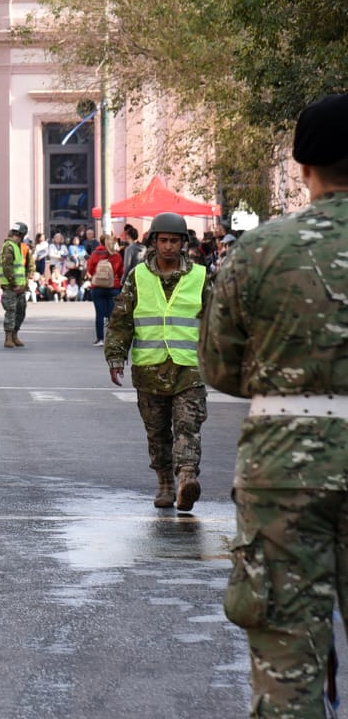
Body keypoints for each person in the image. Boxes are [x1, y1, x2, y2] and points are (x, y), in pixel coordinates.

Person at [200, 94, 348, 716]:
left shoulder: (259, 250)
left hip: (286, 468)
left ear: (303, 168)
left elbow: (221, 366)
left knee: (287, 668)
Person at [104, 210, 211, 512]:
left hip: (189, 368)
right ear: (153, 242)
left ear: (183, 243)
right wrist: (115, 356)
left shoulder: (200, 276)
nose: (168, 247)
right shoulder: (138, 276)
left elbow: (216, 320)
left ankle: (187, 476)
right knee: (158, 432)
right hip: (149, 369)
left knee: (188, 425)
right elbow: (121, 320)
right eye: (163, 240)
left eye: (174, 241)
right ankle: (165, 482)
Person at [85, 235, 124, 346]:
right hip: (113, 287)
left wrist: (98, 277)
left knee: (99, 314)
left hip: (97, 287)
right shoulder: (116, 255)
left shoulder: (95, 254)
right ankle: (112, 339)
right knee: (113, 315)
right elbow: (121, 271)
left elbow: (90, 270)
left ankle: (100, 339)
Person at [0, 222, 32, 347]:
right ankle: (8, 337)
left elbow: (21, 268)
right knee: (11, 311)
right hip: (11, 286)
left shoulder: (18, 246)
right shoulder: (9, 246)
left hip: (20, 287)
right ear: (21, 234)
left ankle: (15, 334)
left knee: (21, 311)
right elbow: (8, 268)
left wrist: (24, 284)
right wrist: (14, 283)